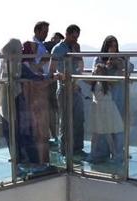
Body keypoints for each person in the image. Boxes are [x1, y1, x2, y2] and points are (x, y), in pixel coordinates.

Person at [0, 38, 45, 169]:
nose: (22, 52)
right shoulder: (16, 65)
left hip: (2, 102)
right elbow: (34, 76)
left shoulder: (2, 63)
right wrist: (52, 76)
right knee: (24, 131)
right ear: (14, 50)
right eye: (20, 50)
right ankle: (31, 162)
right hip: (14, 99)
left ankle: (17, 160)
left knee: (10, 132)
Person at [91, 35, 133, 163]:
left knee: (117, 124)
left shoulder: (121, 59)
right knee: (103, 126)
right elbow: (95, 74)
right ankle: (102, 153)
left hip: (118, 95)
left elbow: (130, 69)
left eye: (115, 46)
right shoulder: (99, 59)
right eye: (110, 46)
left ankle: (118, 153)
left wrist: (119, 65)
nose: (113, 49)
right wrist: (106, 67)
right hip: (104, 97)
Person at [51, 24, 87, 159]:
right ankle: (65, 150)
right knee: (66, 121)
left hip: (75, 88)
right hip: (64, 88)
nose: (75, 40)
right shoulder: (58, 48)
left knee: (79, 119)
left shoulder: (75, 47)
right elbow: (52, 69)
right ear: (67, 34)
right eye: (73, 37)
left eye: (77, 37)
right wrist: (61, 75)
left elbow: (81, 67)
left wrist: (78, 53)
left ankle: (77, 148)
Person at [22, 21, 53, 164]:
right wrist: (43, 64)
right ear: (37, 31)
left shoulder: (40, 46)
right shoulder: (30, 45)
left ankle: (44, 158)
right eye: (44, 31)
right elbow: (31, 68)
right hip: (36, 88)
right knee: (38, 126)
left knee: (43, 126)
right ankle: (39, 160)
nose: (46, 33)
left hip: (43, 86)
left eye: (47, 31)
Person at [88, 64, 124, 164]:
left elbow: (117, 79)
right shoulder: (95, 83)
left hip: (106, 110)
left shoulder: (106, 83)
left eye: (98, 71)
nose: (95, 73)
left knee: (107, 133)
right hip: (98, 109)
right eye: (95, 71)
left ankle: (114, 155)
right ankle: (93, 153)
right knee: (96, 134)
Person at [45, 32, 65, 146]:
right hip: (48, 84)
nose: (54, 41)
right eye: (53, 39)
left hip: (56, 83)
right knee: (50, 111)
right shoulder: (47, 48)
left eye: (57, 40)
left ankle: (59, 136)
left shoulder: (61, 50)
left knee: (58, 110)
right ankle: (53, 135)